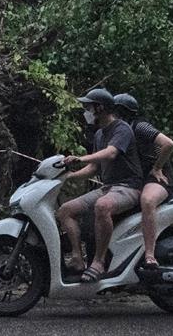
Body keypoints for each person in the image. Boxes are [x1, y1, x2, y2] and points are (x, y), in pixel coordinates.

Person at [55, 88, 145, 283]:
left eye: (89, 107)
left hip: (129, 187)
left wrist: (80, 158)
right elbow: (94, 168)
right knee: (65, 210)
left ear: (100, 108)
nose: (86, 111)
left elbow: (111, 153)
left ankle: (98, 262)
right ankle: (78, 259)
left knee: (102, 206)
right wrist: (67, 176)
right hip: (109, 187)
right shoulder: (99, 135)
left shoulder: (121, 129)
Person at [113, 93, 173, 269]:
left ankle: (150, 255)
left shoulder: (140, 126)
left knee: (147, 200)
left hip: (157, 176)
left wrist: (157, 167)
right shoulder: (116, 132)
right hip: (135, 178)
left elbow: (168, 144)